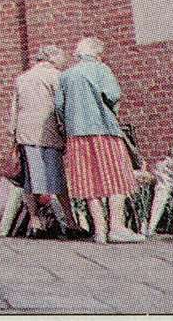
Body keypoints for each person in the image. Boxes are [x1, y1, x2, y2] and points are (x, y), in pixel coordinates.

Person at [54, 37, 144, 244]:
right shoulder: (101, 69)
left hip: (76, 135)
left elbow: (59, 106)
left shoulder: (66, 76)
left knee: (88, 181)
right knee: (117, 177)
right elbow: (113, 95)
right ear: (97, 54)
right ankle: (117, 227)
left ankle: (100, 231)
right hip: (104, 130)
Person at [10, 45, 86, 240]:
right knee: (57, 179)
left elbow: (14, 110)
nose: (64, 61)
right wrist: (66, 130)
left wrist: (14, 137)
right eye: (61, 57)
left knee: (30, 180)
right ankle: (70, 223)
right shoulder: (56, 76)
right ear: (52, 58)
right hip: (49, 133)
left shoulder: (22, 78)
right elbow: (60, 106)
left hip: (26, 134)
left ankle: (35, 222)